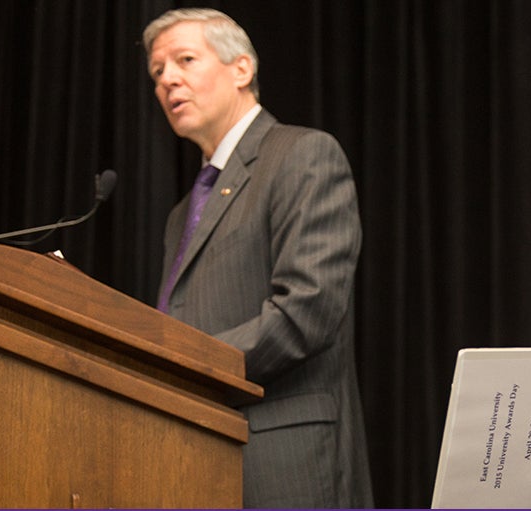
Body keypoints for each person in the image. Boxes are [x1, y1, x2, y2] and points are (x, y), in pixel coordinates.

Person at [142, 8, 372, 508]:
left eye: (184, 59)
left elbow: (304, 313)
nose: (168, 80)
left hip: (282, 459)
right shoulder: (183, 214)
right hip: (191, 452)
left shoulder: (302, 155)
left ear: (242, 69)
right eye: (157, 72)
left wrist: (179, 366)